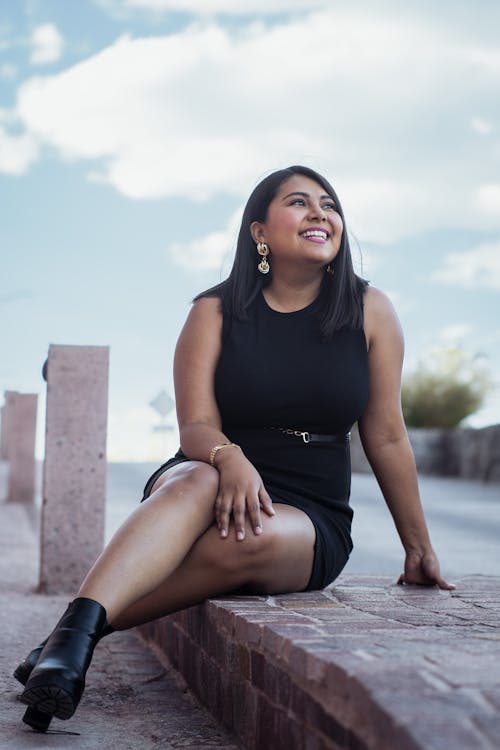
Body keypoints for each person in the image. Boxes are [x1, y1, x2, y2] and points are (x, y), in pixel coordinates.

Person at [15, 165, 454, 732]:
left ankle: (67, 642)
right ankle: (67, 651)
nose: (321, 213)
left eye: (329, 204)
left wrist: (417, 547)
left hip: (307, 510)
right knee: (198, 478)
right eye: (300, 202)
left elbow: (387, 434)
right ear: (260, 233)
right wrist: (233, 459)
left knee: (250, 535)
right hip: (205, 473)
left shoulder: (370, 310)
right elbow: (195, 425)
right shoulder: (214, 311)